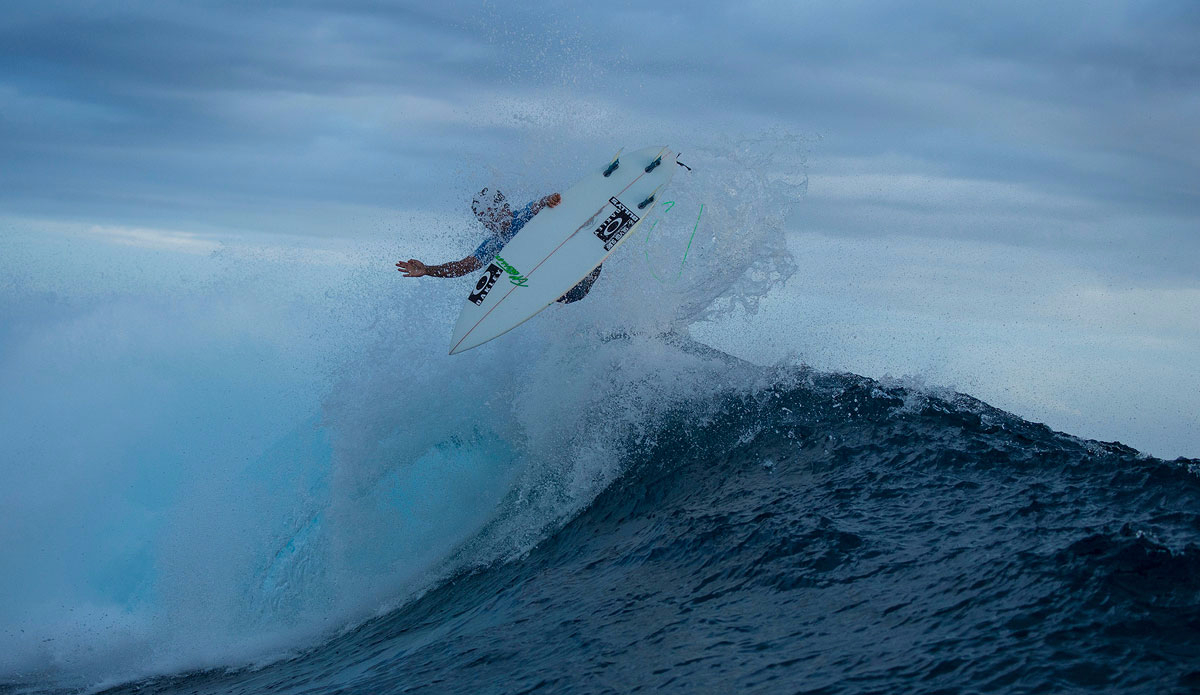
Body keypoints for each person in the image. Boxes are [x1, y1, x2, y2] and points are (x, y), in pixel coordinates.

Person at [396, 188, 603, 304]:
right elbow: (462, 267)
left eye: (492, 211)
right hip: (566, 292)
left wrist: (549, 200)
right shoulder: (494, 245)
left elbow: (540, 205)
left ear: (504, 206)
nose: (490, 219)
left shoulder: (524, 216)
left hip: (585, 267)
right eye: (483, 217)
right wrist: (427, 270)